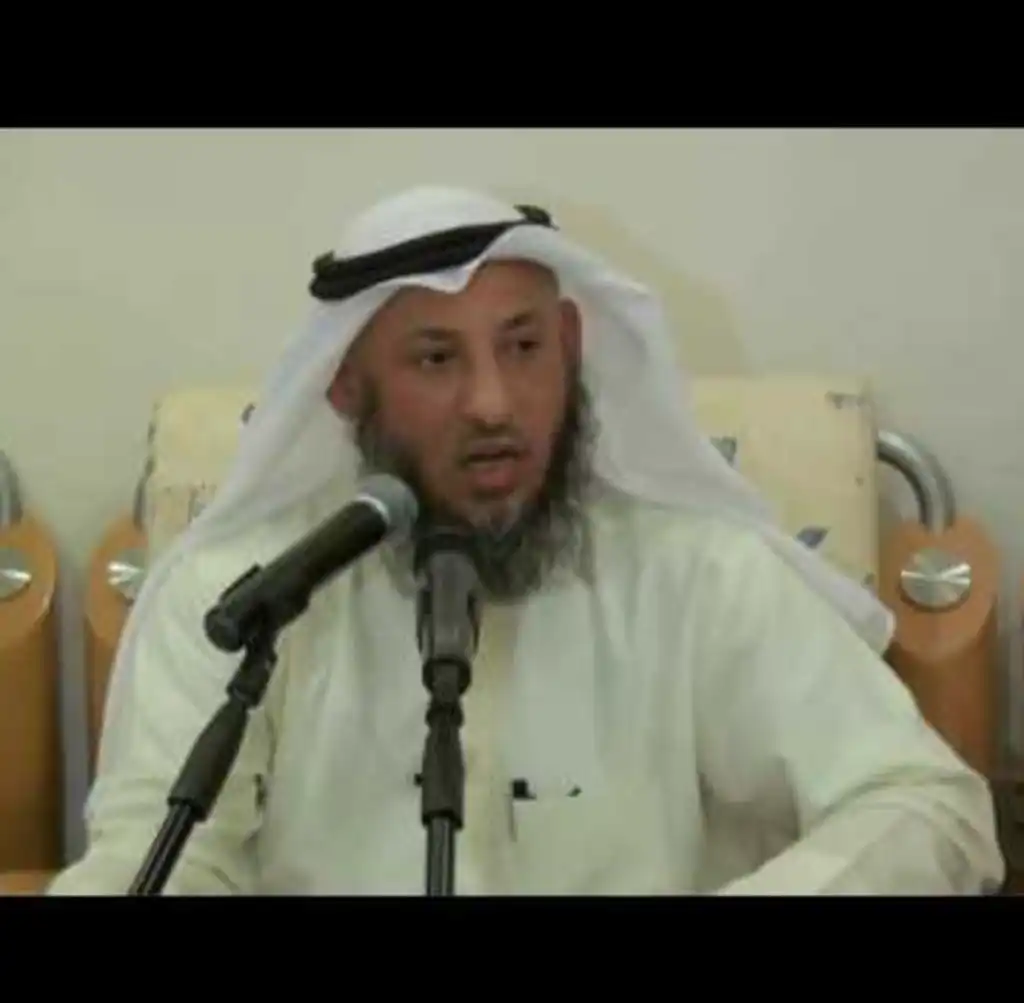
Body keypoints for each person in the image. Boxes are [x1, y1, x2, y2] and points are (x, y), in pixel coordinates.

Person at [48, 186, 1003, 895]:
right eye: (436, 358)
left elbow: (926, 806)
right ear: (346, 387)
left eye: (523, 347)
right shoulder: (245, 596)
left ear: (573, 348)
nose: (493, 403)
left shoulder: (695, 575)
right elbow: (157, 859)